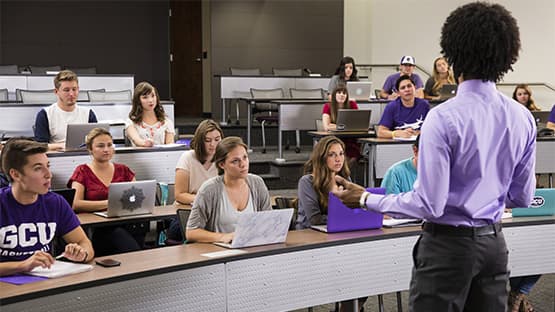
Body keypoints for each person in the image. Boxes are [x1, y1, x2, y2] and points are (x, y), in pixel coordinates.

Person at [332, 3, 535, 311]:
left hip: (447, 249)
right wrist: (483, 195)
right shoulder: (522, 118)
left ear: (453, 54)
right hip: (494, 245)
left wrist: (365, 199)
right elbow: (522, 197)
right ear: (506, 54)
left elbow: (430, 203)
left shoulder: (442, 118)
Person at [0, 138, 94, 276]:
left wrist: (82, 254)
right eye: (38, 168)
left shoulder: (55, 203)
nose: (48, 175)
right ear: (16, 174)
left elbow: (84, 243)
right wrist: (23, 265)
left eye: (48, 166)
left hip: (44, 282)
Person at [67, 128, 142, 256]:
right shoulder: (82, 171)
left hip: (127, 222)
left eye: (109, 145)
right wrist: (109, 203)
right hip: (100, 228)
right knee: (126, 245)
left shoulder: (123, 170)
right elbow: (76, 204)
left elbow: (139, 197)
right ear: (90, 149)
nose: (106, 149)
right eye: (100, 146)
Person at [186, 136, 271, 243]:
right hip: (219, 252)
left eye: (245, 157)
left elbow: (269, 222)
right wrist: (222, 237)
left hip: (251, 248)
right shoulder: (209, 189)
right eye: (235, 161)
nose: (243, 164)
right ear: (222, 164)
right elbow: (191, 232)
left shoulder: (257, 183)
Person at [34, 70, 98, 151]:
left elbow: (97, 141)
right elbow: (41, 146)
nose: (71, 94)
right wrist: (63, 146)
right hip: (58, 159)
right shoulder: (45, 114)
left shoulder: (88, 113)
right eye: (66, 90)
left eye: (74, 89)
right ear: (56, 92)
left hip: (85, 156)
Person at [296, 136, 350, 229]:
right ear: (321, 157)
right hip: (309, 234)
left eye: (341, 154)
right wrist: (347, 218)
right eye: (332, 155)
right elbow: (315, 220)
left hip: (337, 229)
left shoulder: (344, 179)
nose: (338, 159)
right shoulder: (307, 182)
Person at [175, 119, 223, 205]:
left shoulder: (224, 159)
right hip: (188, 209)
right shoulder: (187, 157)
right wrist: (203, 199)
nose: (213, 144)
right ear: (200, 141)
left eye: (217, 139)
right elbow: (179, 195)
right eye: (208, 140)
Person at [125, 81, 175, 147]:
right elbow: (136, 140)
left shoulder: (167, 122)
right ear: (138, 100)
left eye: (153, 96)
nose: (150, 100)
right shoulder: (131, 122)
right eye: (145, 97)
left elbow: (170, 147)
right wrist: (145, 143)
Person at [322, 84, 361, 160]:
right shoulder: (328, 106)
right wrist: (345, 126)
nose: (342, 95)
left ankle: (344, 171)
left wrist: (337, 126)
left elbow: (357, 123)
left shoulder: (352, 104)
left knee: (352, 153)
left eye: (344, 93)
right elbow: (326, 126)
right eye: (339, 92)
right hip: (334, 139)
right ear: (334, 95)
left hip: (351, 140)